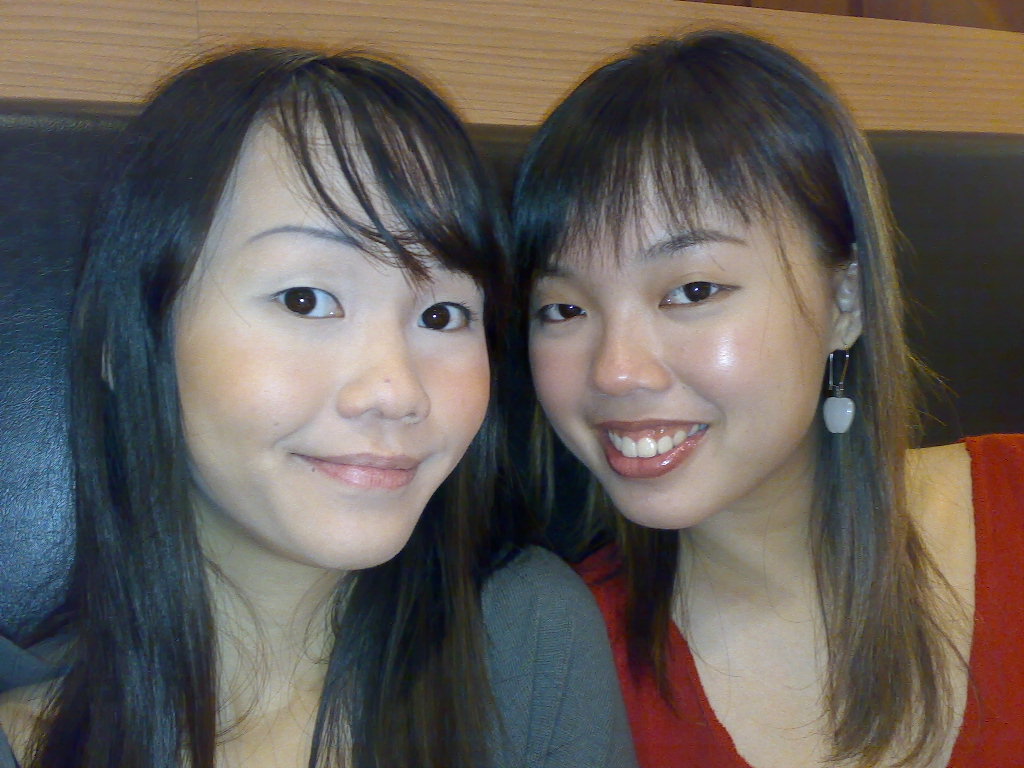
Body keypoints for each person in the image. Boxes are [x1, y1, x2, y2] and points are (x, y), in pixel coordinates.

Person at [0, 47, 637, 768]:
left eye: (442, 316)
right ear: (126, 339)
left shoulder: (526, 645)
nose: (396, 392)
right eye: (305, 299)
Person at [514, 29, 1024, 768]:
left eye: (692, 290)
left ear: (846, 302)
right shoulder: (556, 665)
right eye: (563, 309)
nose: (616, 372)